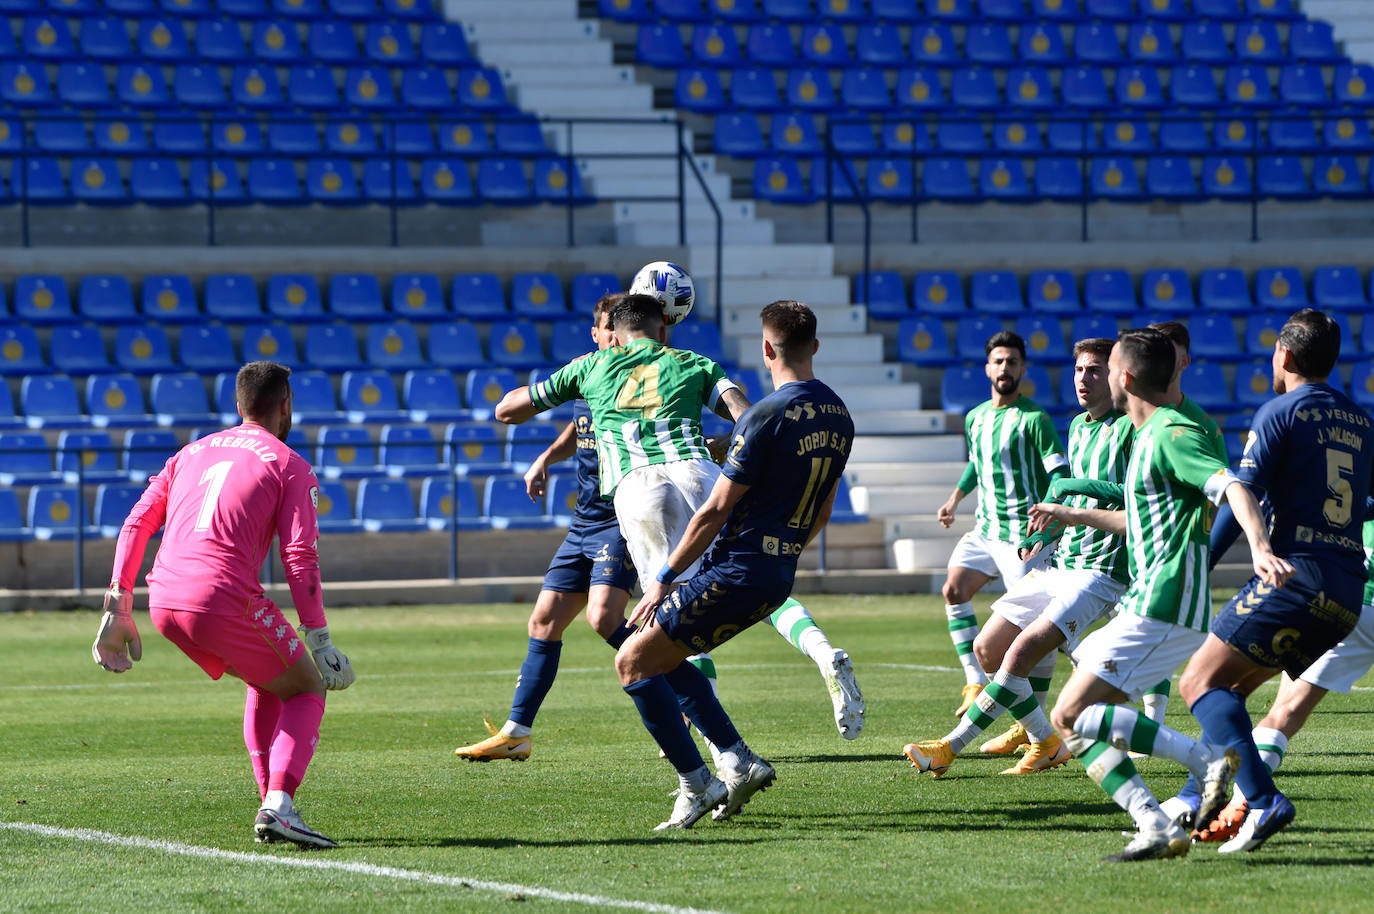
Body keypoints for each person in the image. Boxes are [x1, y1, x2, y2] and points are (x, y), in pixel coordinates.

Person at [493, 294, 864, 751]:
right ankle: (820, 650)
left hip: (642, 492)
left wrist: (556, 390)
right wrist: (727, 446)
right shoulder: (694, 362)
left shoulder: (590, 367)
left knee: (672, 621)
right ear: (664, 329)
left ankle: (720, 756)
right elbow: (747, 417)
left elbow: (507, 410)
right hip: (699, 474)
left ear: (614, 331)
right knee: (739, 574)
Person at [1041, 328, 1292, 862]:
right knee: (1083, 719)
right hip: (1151, 600)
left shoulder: (1173, 433)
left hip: (1166, 601)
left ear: (1124, 377)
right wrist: (1069, 515)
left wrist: (1259, 547)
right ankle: (1160, 818)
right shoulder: (1148, 434)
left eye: (1106, 367)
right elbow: (1138, 521)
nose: (1101, 375)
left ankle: (1200, 767)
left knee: (1069, 715)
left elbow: (1233, 486)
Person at [91, 361, 354, 849]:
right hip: (220, 597)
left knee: (268, 677)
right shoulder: (289, 463)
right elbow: (299, 556)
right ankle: (279, 804)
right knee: (307, 687)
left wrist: (117, 606)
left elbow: (136, 522)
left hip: (163, 599)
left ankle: (271, 807)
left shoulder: (191, 452)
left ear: (238, 407)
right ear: (286, 406)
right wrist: (318, 637)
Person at [617, 300, 855, 829]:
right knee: (665, 656)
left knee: (632, 661)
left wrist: (661, 580)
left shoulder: (765, 415)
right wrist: (785, 551)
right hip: (778, 574)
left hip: (736, 571)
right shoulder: (841, 416)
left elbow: (715, 510)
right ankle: (738, 761)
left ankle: (697, 784)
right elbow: (824, 510)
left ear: (767, 348)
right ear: (814, 345)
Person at [1175, 309, 1373, 854]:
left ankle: (1263, 802)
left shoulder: (1280, 412)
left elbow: (1243, 495)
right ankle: (1194, 796)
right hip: (1349, 590)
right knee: (1231, 692)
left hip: (1297, 577)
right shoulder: (1360, 421)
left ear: (1283, 355)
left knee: (1197, 683)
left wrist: (1200, 565)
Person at [903, 338, 1130, 777]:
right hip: (1061, 561)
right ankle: (1045, 740)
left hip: (1101, 571)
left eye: (1095, 370)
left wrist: (1066, 497)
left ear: (1118, 375)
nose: (1084, 378)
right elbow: (1068, 501)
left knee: (1022, 651)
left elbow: (1132, 499)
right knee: (987, 648)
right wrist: (1048, 533)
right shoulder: (1079, 427)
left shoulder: (1128, 429)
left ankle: (949, 748)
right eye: (1080, 369)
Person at [454, 293, 640, 762]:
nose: (612, 336)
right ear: (596, 333)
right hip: (584, 522)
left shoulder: (639, 378)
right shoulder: (587, 373)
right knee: (544, 621)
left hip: (620, 518)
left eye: (618, 329)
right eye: (604, 328)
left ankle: (684, 688)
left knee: (605, 619)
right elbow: (582, 426)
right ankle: (518, 733)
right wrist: (545, 457)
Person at [1193, 518, 1374, 842]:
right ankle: (1227, 798)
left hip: (1350, 600)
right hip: (1354, 600)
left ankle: (1241, 803)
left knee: (1276, 708)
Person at [936, 330, 1068, 717]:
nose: (1005, 367)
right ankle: (974, 680)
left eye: (1012, 361)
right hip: (985, 529)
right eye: (999, 361)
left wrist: (1052, 519)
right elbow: (978, 464)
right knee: (954, 589)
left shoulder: (1035, 419)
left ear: (1023, 368)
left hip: (1022, 537)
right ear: (987, 368)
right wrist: (954, 499)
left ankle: (1036, 713)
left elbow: (1059, 472)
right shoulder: (975, 417)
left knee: (1034, 626)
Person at [1134, 320, 1229, 725]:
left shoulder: (1198, 426)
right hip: (1129, 544)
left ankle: (1152, 726)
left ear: (1184, 361)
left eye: (1166, 349)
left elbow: (1222, 494)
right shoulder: (1134, 416)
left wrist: (1204, 554)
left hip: (1169, 558)